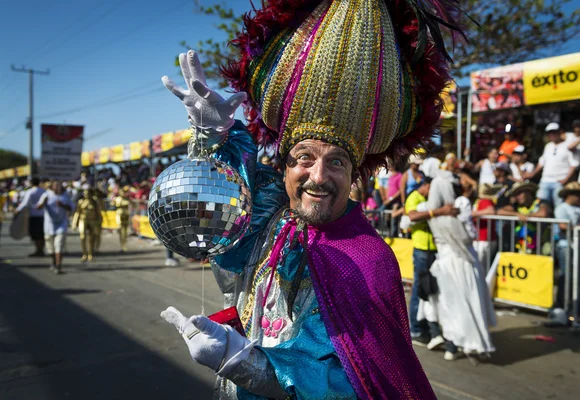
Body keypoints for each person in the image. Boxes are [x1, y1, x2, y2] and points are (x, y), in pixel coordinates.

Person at [158, 0, 465, 396]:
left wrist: (248, 365)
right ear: (283, 168)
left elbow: (348, 385)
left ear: (355, 175)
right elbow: (219, 212)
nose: (318, 177)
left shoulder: (369, 261)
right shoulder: (271, 221)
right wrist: (214, 138)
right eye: (304, 158)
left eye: (336, 162)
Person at [418, 172, 496, 361]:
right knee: (466, 303)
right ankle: (465, 342)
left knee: (449, 305)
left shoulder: (428, 210)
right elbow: (467, 236)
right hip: (462, 264)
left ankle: (452, 346)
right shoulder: (454, 210)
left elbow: (409, 217)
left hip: (444, 263)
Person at [405, 176, 458, 349]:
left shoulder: (427, 199)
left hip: (432, 249)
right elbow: (412, 216)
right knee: (420, 289)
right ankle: (416, 329)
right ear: (426, 186)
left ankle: (427, 326)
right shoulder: (414, 197)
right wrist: (439, 211)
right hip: (421, 249)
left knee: (430, 291)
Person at [553, 182, 580, 310]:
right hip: (566, 247)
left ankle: (576, 308)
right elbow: (563, 226)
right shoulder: (561, 208)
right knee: (566, 276)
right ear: (570, 195)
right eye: (579, 193)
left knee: (579, 277)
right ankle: (561, 306)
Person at [525, 122, 579, 208]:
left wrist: (566, 179)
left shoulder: (568, 145)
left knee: (559, 206)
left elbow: (574, 164)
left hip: (559, 181)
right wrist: (533, 174)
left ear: (559, 132)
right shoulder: (548, 146)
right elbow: (541, 162)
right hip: (545, 180)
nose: (552, 135)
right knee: (541, 205)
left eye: (554, 132)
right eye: (550, 133)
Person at [498, 182, 552, 253]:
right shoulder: (516, 206)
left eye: (519, 194)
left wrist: (527, 216)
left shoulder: (540, 202)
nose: (517, 197)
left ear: (528, 192)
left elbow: (543, 213)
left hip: (541, 244)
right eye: (515, 195)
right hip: (523, 246)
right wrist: (517, 214)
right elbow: (500, 212)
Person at [36, 181, 73, 274]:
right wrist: (43, 203)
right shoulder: (46, 195)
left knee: (59, 246)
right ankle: (54, 261)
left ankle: (58, 266)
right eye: (56, 185)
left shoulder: (65, 196)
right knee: (51, 248)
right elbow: (38, 207)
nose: (57, 187)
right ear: (52, 187)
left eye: (59, 185)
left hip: (62, 224)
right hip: (49, 225)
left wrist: (62, 205)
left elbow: (71, 207)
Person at [472, 184, 505, 268]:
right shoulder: (482, 201)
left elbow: (491, 211)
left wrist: (473, 214)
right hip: (482, 239)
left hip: (484, 239)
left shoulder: (485, 201)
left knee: (480, 267)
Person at [15, 177, 46, 256]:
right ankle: (41, 250)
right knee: (41, 234)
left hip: (34, 215)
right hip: (43, 215)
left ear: (31, 183)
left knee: (36, 234)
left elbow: (25, 203)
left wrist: (18, 210)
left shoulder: (30, 191)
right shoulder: (44, 191)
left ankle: (38, 250)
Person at [72, 189, 103, 262]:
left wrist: (100, 222)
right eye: (85, 193)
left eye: (88, 193)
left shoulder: (94, 202)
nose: (86, 195)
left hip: (92, 220)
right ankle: (84, 253)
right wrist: (74, 223)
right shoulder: (81, 202)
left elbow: (98, 213)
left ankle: (90, 254)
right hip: (83, 220)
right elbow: (77, 212)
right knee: (82, 236)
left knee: (91, 238)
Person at [113, 186, 131, 252]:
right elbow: (112, 204)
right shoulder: (117, 199)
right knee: (121, 231)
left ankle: (124, 245)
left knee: (125, 232)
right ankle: (122, 245)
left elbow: (133, 204)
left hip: (126, 215)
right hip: (119, 215)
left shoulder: (127, 199)